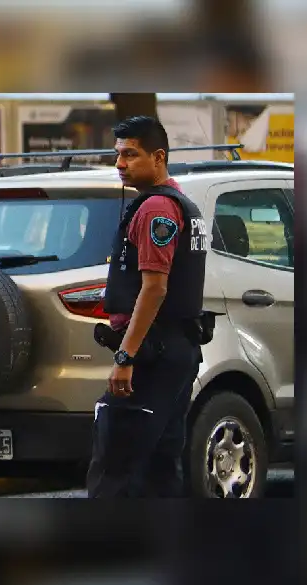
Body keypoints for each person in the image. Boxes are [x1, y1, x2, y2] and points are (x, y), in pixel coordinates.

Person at [86, 116, 209, 498]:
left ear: (158, 157)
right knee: (160, 468)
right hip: (176, 349)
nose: (119, 164)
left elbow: (154, 288)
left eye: (129, 154)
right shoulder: (179, 202)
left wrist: (126, 357)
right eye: (117, 155)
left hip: (152, 354)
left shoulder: (157, 207)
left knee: (116, 473)